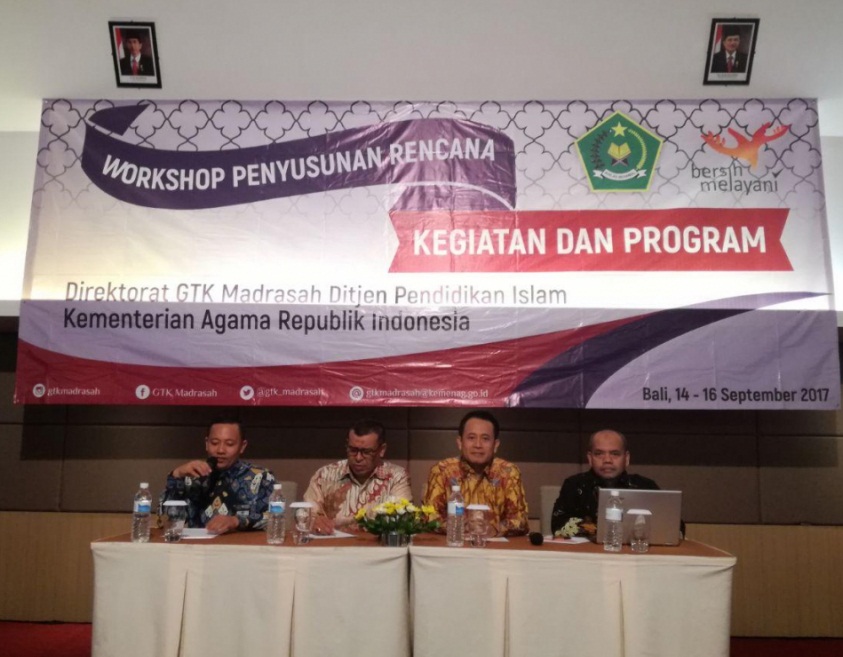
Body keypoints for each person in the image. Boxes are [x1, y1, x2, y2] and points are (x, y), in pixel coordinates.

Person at [161, 416, 276, 533]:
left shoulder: (261, 477)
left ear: (242, 446)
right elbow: (165, 518)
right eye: (214, 443)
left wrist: (236, 521)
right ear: (207, 443)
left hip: (241, 543)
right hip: (197, 543)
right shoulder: (192, 476)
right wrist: (176, 475)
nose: (220, 450)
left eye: (229, 444)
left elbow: (274, 517)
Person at [422, 410, 529, 536]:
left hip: (495, 545)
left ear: (495, 445)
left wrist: (495, 529)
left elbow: (520, 521)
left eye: (485, 439)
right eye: (471, 438)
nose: (478, 445)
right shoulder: (442, 471)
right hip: (455, 544)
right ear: (460, 443)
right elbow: (429, 518)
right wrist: (459, 526)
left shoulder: (508, 473)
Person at [304, 419, 412, 535]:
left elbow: (401, 520)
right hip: (333, 543)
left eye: (366, 452)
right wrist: (313, 522)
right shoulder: (324, 475)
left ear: (381, 450)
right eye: (353, 450)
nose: (358, 458)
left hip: (377, 544)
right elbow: (307, 514)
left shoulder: (397, 477)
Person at [550, 429, 659, 535]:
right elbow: (558, 526)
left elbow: (664, 526)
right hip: (587, 547)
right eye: (599, 454)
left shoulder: (646, 487)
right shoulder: (574, 485)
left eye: (615, 454)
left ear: (626, 458)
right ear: (590, 458)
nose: (607, 460)